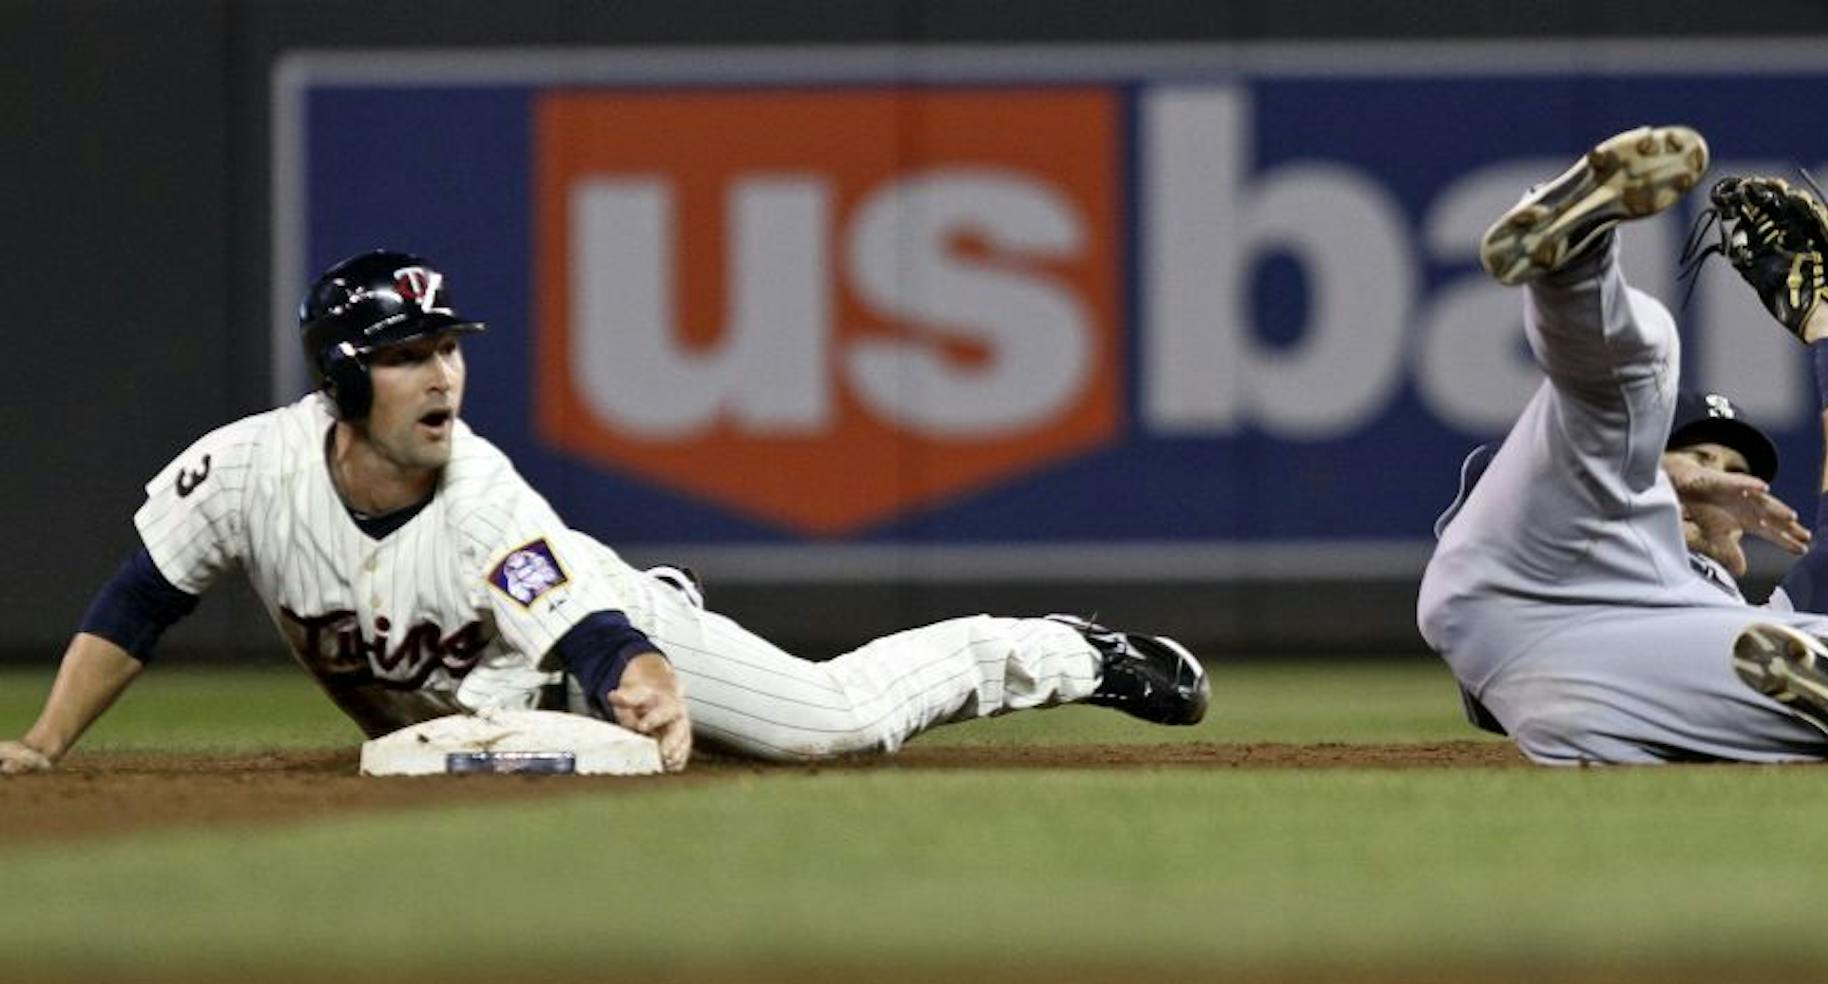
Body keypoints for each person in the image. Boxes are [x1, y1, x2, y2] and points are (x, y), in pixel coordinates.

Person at [0, 251, 1207, 776]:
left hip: (593, 643)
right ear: (339, 380)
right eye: (405, 354)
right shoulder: (248, 471)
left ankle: (1061, 650)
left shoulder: (483, 495)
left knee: (829, 724)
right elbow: (140, 600)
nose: (441, 376)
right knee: (467, 742)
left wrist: (639, 667)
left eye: (447, 349)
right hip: (497, 699)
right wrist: (48, 744)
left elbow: (569, 615)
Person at [1417, 125, 1828, 765]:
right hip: (1526, 586)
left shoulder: (1735, 612)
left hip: (1606, 684)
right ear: (1646, 452)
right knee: (1649, 353)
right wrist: (1674, 486)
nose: (1716, 471)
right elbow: (1495, 480)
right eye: (1694, 452)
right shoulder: (1588, 478)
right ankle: (1572, 255)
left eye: (1734, 467)